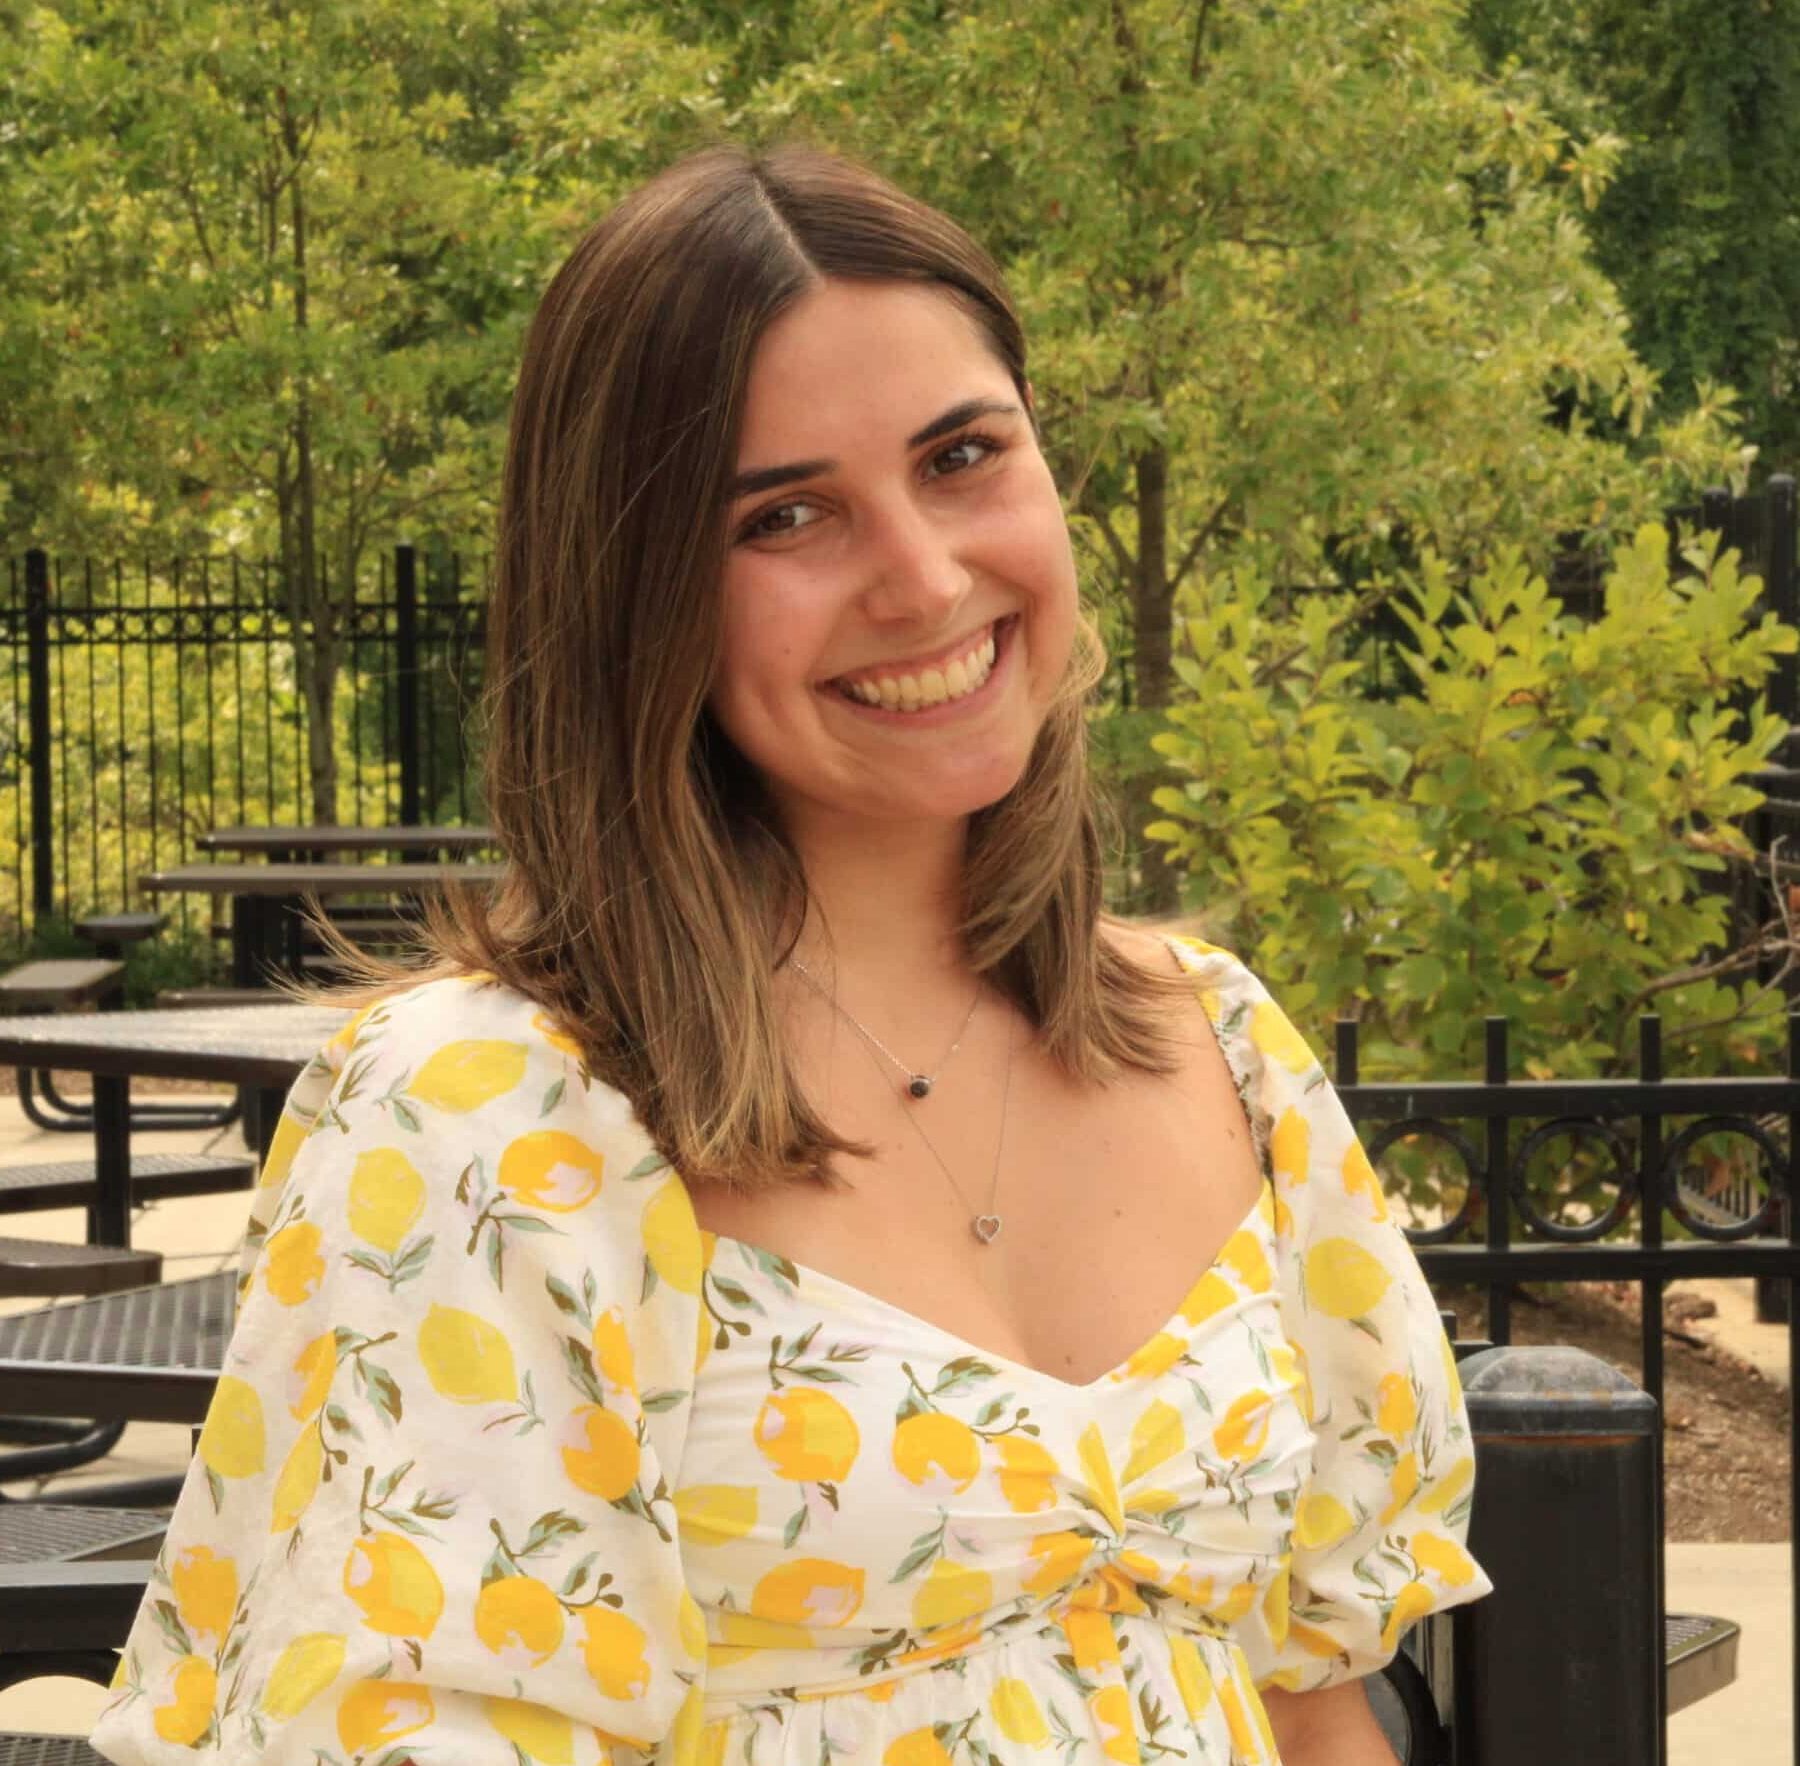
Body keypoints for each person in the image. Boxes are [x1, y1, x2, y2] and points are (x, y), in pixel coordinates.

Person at [91, 143, 1488, 1766]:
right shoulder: (487, 1126)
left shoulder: (1220, 1045)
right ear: (639, 593)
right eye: (788, 514)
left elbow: (1316, 1706)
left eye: (963, 455)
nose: (923, 575)